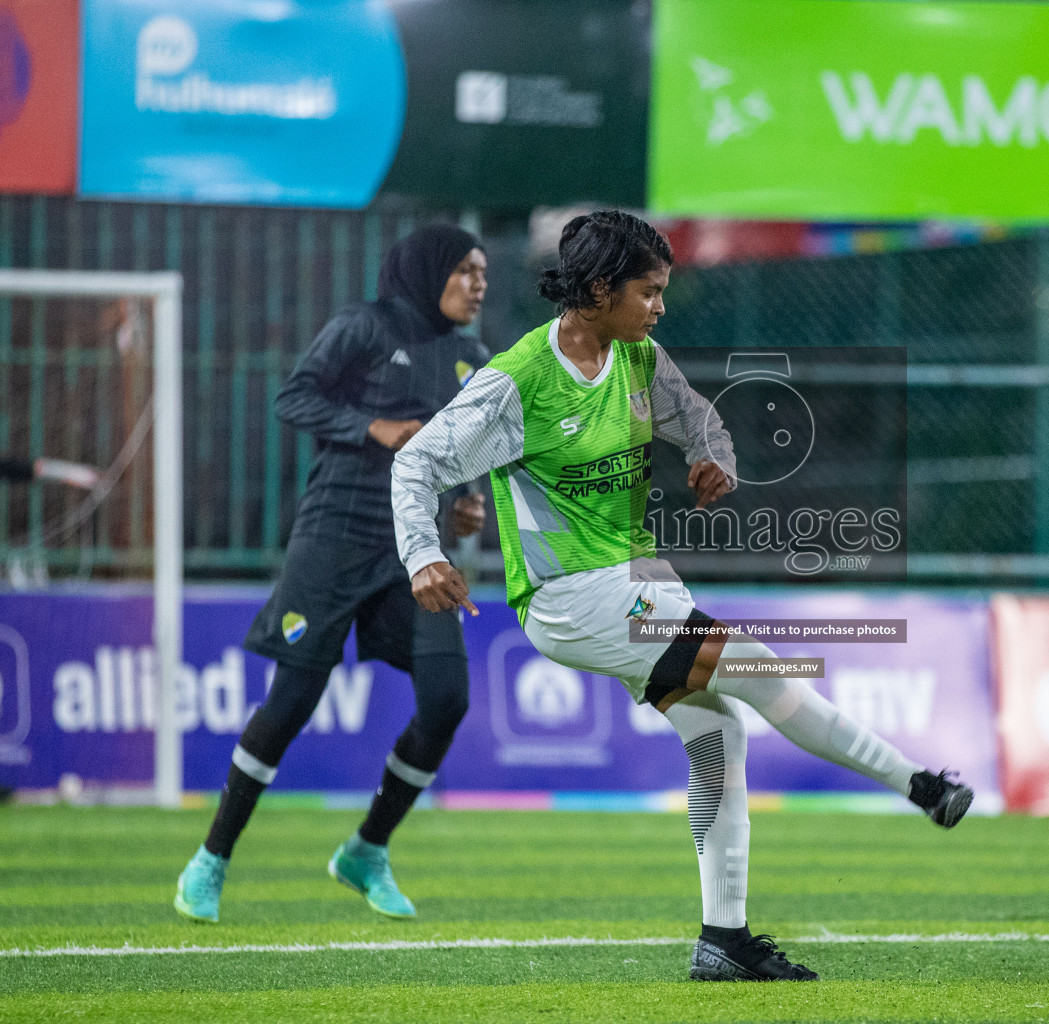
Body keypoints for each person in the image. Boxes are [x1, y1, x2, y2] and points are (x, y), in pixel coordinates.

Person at [391, 210, 973, 982]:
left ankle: (722, 941)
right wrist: (423, 555)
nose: (660, 305)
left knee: (718, 734)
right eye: (649, 290)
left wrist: (712, 454)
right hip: (569, 596)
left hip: (633, 586)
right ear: (599, 289)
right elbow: (416, 465)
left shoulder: (638, 355)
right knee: (764, 670)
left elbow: (696, 417)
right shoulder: (517, 381)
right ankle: (921, 785)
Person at [175, 224, 491, 924]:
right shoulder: (365, 326)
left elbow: (466, 453)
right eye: (467, 269)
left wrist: (468, 505)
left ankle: (366, 849)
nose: (479, 283)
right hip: (335, 539)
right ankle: (212, 858)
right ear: (430, 269)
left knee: (448, 699)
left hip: (418, 552)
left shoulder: (474, 357)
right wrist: (372, 426)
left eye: (484, 272)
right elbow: (295, 398)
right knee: (290, 705)